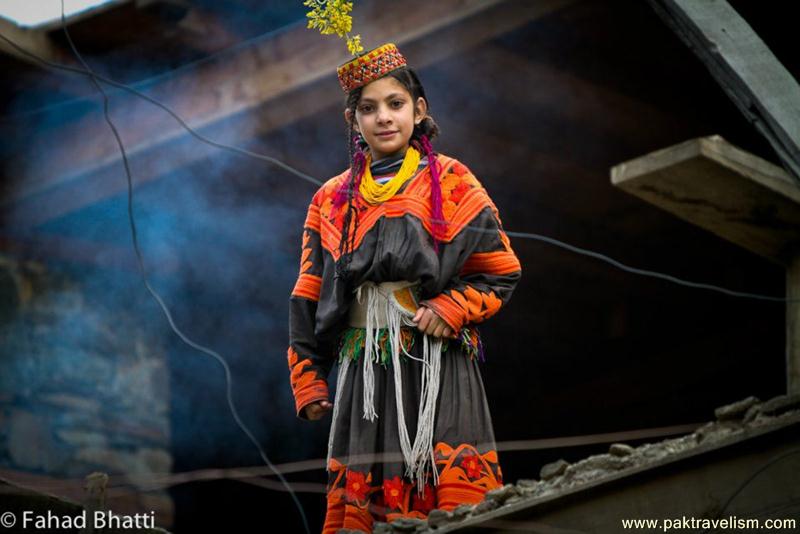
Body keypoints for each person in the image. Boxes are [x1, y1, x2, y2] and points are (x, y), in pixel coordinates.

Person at [287, 43, 522, 533]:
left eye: (395, 104)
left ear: (419, 110)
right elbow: (309, 292)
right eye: (368, 109)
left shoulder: (454, 180)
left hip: (438, 359)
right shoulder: (329, 199)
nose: (383, 118)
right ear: (352, 121)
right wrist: (308, 376)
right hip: (364, 369)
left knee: (454, 504)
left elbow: (500, 269)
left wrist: (452, 306)